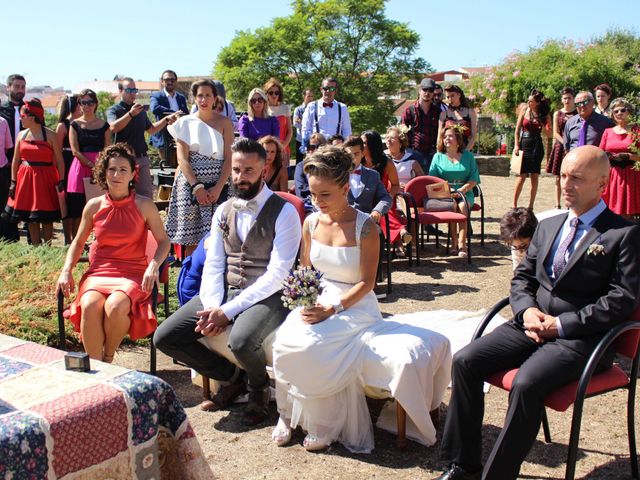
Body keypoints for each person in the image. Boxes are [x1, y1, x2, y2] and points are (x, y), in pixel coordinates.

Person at [435, 145, 640, 480]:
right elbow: (523, 278)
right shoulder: (549, 224)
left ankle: (497, 476)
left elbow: (621, 300)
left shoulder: (623, 234)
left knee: (527, 384)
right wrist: (527, 310)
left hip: (580, 339)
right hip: (531, 324)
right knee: (465, 361)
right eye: (562, 176)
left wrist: (560, 324)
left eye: (577, 178)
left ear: (602, 184)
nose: (566, 184)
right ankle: (462, 464)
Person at [154, 138, 302, 426]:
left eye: (248, 170)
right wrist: (212, 306)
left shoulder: (285, 212)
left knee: (242, 340)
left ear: (265, 168)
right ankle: (233, 377)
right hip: (226, 289)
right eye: (236, 170)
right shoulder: (223, 210)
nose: (240, 177)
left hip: (268, 295)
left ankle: (259, 388)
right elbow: (214, 263)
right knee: (166, 337)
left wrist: (228, 312)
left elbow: (278, 274)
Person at [272, 146, 382, 452]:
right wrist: (303, 298)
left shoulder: (367, 227)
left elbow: (367, 282)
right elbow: (305, 269)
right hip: (317, 299)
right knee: (283, 340)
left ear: (345, 188)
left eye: (325, 195)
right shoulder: (311, 223)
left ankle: (324, 423)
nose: (316, 202)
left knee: (315, 345)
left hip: (354, 303)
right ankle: (286, 413)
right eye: (312, 193)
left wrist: (332, 309)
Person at [57, 143, 170, 363]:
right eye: (111, 169)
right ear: (103, 172)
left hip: (133, 272)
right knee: (89, 305)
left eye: (122, 170)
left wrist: (153, 266)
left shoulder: (144, 205)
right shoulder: (94, 205)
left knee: (116, 306)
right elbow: (78, 242)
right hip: (100, 270)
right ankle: (94, 368)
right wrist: (66, 270)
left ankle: (107, 360)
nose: (116, 174)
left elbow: (164, 242)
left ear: (132, 174)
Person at [164, 79, 234, 256]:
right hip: (191, 184)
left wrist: (218, 188)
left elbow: (229, 158)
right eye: (200, 96)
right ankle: (192, 279)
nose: (204, 100)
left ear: (215, 98)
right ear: (194, 98)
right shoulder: (184, 123)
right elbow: (182, 159)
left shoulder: (225, 122)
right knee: (192, 239)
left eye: (207, 95)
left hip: (220, 184)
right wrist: (197, 188)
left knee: (222, 236)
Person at [107, 77, 182, 199]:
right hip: (123, 160)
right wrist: (130, 114)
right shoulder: (114, 110)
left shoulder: (140, 111)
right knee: (123, 196)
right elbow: (113, 127)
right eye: (129, 90)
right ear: (120, 90)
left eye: (134, 90)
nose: (133, 93)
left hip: (141, 158)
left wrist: (166, 120)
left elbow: (151, 129)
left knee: (145, 196)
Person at [2, 99, 64, 245]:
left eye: (22, 116)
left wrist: (61, 180)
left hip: (46, 179)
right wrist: (13, 182)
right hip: (26, 179)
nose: (20, 118)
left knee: (47, 216)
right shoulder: (21, 135)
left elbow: (60, 160)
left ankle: (48, 247)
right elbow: (16, 160)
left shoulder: (50, 135)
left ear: (32, 116)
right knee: (30, 216)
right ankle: (36, 247)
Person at [66, 89, 112, 239]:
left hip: (100, 167)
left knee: (101, 206)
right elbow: (75, 151)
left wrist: (100, 167)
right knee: (77, 209)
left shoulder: (104, 125)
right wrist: (92, 165)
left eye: (90, 102)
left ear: (96, 104)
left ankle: (99, 239)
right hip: (80, 168)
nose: (87, 106)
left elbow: (108, 149)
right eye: (83, 102)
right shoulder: (74, 125)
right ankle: (77, 241)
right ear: (79, 104)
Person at [429, 126, 480, 258]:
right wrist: (449, 190)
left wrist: (462, 190)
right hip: (444, 193)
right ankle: (453, 242)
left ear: (458, 140)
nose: (447, 139)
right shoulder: (437, 157)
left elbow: (474, 178)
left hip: (465, 191)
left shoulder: (468, 156)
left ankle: (463, 243)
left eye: (450, 136)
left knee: (462, 206)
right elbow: (432, 178)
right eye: (445, 137)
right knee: (453, 206)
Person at [361, 130, 411, 250]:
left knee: (382, 209)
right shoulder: (358, 162)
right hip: (363, 198)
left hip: (383, 197)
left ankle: (398, 238)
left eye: (363, 143)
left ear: (372, 145)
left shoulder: (386, 162)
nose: (360, 145)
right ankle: (400, 232)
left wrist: (388, 196)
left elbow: (395, 184)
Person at [600, 98, 640, 221]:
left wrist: (630, 156)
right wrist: (608, 156)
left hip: (632, 175)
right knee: (612, 213)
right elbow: (600, 153)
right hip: (613, 175)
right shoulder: (607, 132)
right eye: (616, 111)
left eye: (623, 110)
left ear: (629, 112)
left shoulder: (637, 131)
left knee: (629, 215)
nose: (619, 113)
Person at [512, 89, 551, 210]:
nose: (529, 103)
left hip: (536, 144)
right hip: (524, 142)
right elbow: (517, 129)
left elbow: (548, 133)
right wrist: (516, 145)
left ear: (537, 103)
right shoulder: (524, 110)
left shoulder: (543, 114)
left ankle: (531, 206)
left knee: (534, 176)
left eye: (531, 101)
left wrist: (544, 124)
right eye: (528, 101)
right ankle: (514, 204)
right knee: (521, 176)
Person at [0, 74, 26, 242]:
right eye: (16, 86)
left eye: (23, 87)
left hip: (27, 160)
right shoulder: (2, 111)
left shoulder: (30, 109)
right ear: (8, 88)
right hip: (6, 160)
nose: (20, 90)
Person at [55, 94, 81, 244]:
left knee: (77, 205)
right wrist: (60, 174)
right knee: (66, 205)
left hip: (78, 164)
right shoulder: (63, 125)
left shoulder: (80, 123)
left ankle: (76, 238)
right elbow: (57, 151)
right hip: (66, 162)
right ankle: (67, 239)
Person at [546, 87, 577, 209]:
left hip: (574, 146)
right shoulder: (557, 114)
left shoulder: (578, 113)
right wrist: (565, 143)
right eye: (565, 98)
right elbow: (555, 132)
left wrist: (571, 144)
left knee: (573, 175)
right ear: (562, 99)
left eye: (569, 98)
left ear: (573, 99)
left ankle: (570, 202)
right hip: (560, 146)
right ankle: (557, 203)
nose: (567, 100)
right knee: (559, 176)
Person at [149, 69, 188, 168]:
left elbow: (186, 113)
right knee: (167, 167)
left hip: (180, 135)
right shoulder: (156, 96)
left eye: (172, 79)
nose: (170, 82)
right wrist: (174, 113)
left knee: (182, 165)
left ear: (176, 81)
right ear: (162, 81)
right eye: (167, 80)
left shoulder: (181, 97)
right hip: (164, 137)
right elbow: (155, 108)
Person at [301, 77, 352, 152]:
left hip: (336, 149)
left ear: (335, 90)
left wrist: (345, 148)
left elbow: (347, 131)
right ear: (321, 89)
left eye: (331, 89)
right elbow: (306, 129)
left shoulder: (342, 107)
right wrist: (309, 148)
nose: (328, 91)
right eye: (325, 88)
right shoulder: (311, 106)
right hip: (316, 149)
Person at [401, 77, 440, 170]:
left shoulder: (437, 111)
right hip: (413, 153)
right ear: (419, 90)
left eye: (430, 90)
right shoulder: (410, 110)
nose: (427, 93)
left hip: (432, 154)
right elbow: (401, 130)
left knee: (431, 182)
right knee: (415, 183)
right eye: (424, 89)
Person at [294, 132, 328, 213]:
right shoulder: (301, 166)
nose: (315, 150)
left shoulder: (330, 166)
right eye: (311, 147)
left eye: (319, 146)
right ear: (307, 149)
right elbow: (301, 190)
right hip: (308, 207)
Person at [438, 84, 477, 152]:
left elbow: (473, 136)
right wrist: (439, 153)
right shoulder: (443, 114)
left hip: (465, 151)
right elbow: (439, 137)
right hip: (448, 152)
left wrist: (466, 152)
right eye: (448, 97)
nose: (450, 99)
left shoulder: (470, 112)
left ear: (459, 95)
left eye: (452, 95)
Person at [264, 78, 293, 168]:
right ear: (266, 94)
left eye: (276, 92)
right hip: (266, 151)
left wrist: (282, 147)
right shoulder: (263, 109)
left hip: (283, 149)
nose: (274, 95)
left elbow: (290, 131)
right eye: (271, 92)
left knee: (282, 178)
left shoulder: (285, 108)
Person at [293, 89, 314, 163]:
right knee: (299, 161)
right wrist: (309, 126)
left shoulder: (315, 110)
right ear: (304, 96)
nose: (311, 98)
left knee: (312, 160)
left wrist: (302, 122)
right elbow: (295, 124)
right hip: (300, 139)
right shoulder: (298, 110)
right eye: (308, 96)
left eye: (312, 96)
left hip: (312, 139)